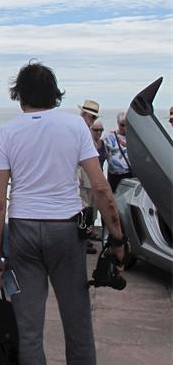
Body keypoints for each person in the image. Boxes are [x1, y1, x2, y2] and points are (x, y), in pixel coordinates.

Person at [0, 62, 127, 365]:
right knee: (77, 324)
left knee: (28, 328)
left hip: (23, 233)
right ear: (55, 94)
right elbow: (100, 188)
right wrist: (116, 238)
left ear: (19, 96)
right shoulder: (74, 126)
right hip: (67, 232)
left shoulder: (6, 133)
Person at [77, 100, 100, 254]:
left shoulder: (85, 130)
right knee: (83, 208)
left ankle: (86, 237)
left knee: (89, 208)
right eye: (91, 117)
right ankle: (82, 239)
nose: (92, 121)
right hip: (82, 176)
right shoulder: (80, 130)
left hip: (88, 177)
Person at [104, 111, 131, 193]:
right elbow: (105, 153)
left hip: (128, 173)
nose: (124, 128)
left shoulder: (132, 137)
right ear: (118, 123)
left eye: (127, 125)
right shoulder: (110, 136)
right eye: (122, 125)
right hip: (114, 173)